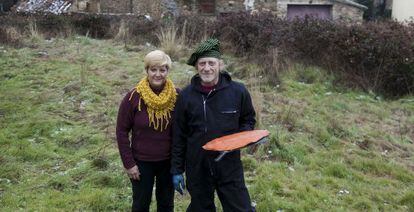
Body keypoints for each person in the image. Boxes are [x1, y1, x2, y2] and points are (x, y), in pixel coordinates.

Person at [171, 38, 256, 212]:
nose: (207, 68)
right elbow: (179, 134)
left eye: (211, 63)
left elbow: (248, 120)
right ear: (196, 67)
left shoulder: (238, 91)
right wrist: (177, 169)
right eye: (202, 63)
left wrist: (240, 140)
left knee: (241, 209)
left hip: (229, 164)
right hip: (197, 165)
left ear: (220, 64)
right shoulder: (186, 96)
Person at [116, 50, 178, 212]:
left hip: (168, 163)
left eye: (162, 70)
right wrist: (129, 164)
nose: (158, 74)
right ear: (146, 71)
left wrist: (179, 164)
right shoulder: (133, 98)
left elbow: (183, 131)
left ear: (167, 71)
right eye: (153, 69)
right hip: (141, 163)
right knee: (140, 205)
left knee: (166, 205)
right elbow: (122, 131)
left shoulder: (177, 96)